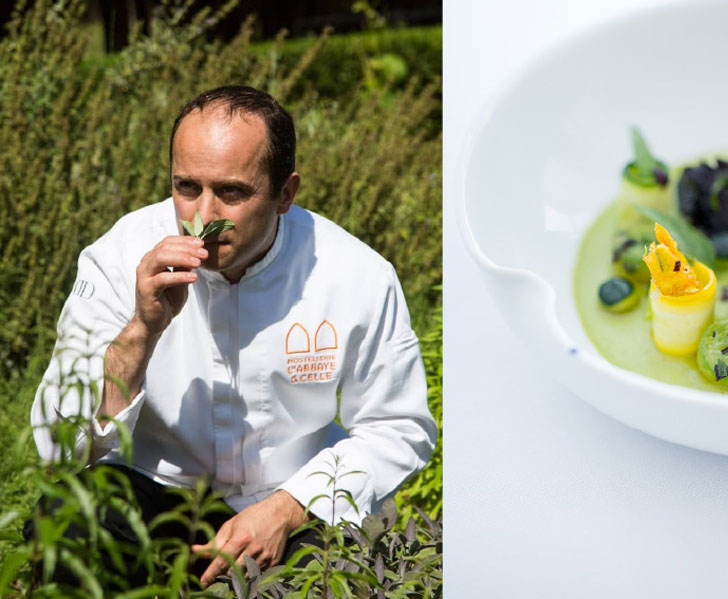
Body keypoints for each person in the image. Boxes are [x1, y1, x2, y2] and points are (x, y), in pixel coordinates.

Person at [28, 85, 436, 588]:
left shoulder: (354, 274)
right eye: (186, 187)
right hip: (154, 491)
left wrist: (291, 507)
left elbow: (399, 425)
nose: (204, 216)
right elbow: (55, 445)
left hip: (290, 498)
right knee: (66, 523)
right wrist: (141, 330)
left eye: (232, 192)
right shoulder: (118, 258)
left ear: (286, 193)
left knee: (334, 576)